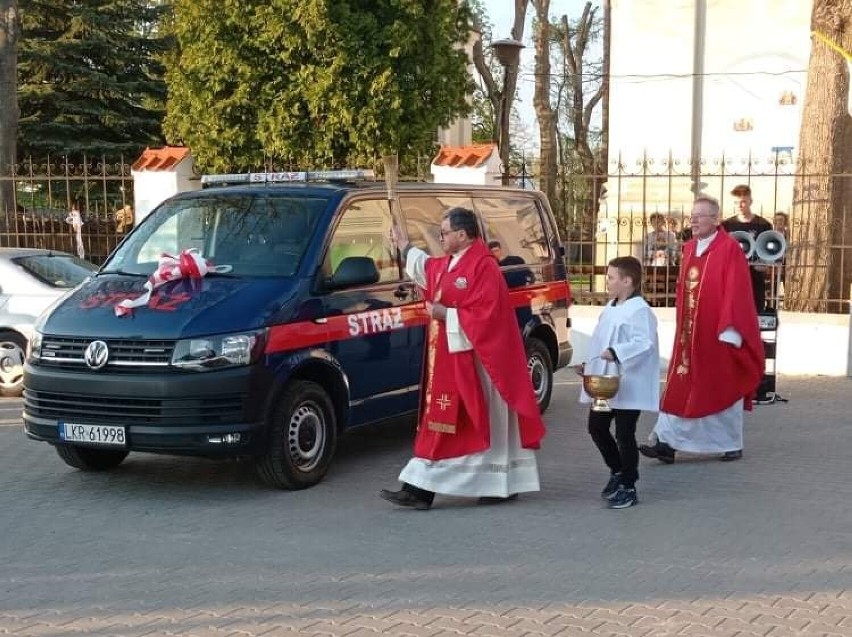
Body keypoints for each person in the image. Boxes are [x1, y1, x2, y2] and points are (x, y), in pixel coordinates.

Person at [380, 207, 545, 510]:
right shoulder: (452, 263)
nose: (440, 238)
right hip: (454, 359)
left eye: (444, 233)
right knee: (446, 423)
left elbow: (488, 316)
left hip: (483, 365)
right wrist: (404, 245)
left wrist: (448, 315)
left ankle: (432, 489)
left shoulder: (484, 267)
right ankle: (426, 488)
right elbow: (427, 268)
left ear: (462, 234)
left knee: (463, 423)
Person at [639, 196, 764, 464]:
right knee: (680, 383)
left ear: (715, 219)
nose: (693, 220)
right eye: (692, 215)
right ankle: (666, 442)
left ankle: (730, 443)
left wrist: (730, 329)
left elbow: (737, 290)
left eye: (700, 215)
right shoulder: (689, 248)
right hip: (689, 333)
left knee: (720, 386)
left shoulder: (728, 249)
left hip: (717, 332)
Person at [577, 256, 660, 509]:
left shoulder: (640, 310)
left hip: (629, 381)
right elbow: (599, 341)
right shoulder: (611, 306)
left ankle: (629, 485)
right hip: (604, 380)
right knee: (597, 428)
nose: (607, 282)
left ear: (628, 281)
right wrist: (589, 366)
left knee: (624, 434)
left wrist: (616, 351)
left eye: (612, 277)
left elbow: (643, 343)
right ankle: (616, 470)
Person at [721, 184, 773, 312]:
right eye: (736, 202)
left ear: (750, 201)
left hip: (755, 278)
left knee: (756, 312)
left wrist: (765, 264)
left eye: (743, 202)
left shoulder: (763, 225)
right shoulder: (727, 225)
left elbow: (769, 251)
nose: (740, 205)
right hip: (733, 278)